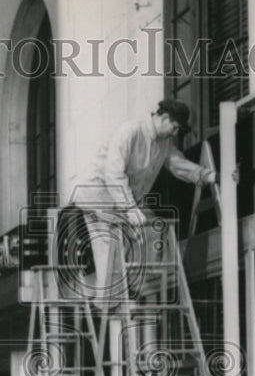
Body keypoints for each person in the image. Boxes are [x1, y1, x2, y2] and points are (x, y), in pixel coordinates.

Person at [74, 99, 218, 301]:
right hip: (99, 193)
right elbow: (113, 173)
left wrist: (208, 176)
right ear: (164, 118)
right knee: (110, 242)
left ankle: (140, 286)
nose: (175, 133)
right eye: (175, 127)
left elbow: (178, 164)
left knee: (152, 229)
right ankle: (108, 298)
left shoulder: (164, 143)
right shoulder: (130, 131)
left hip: (127, 196)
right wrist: (130, 208)